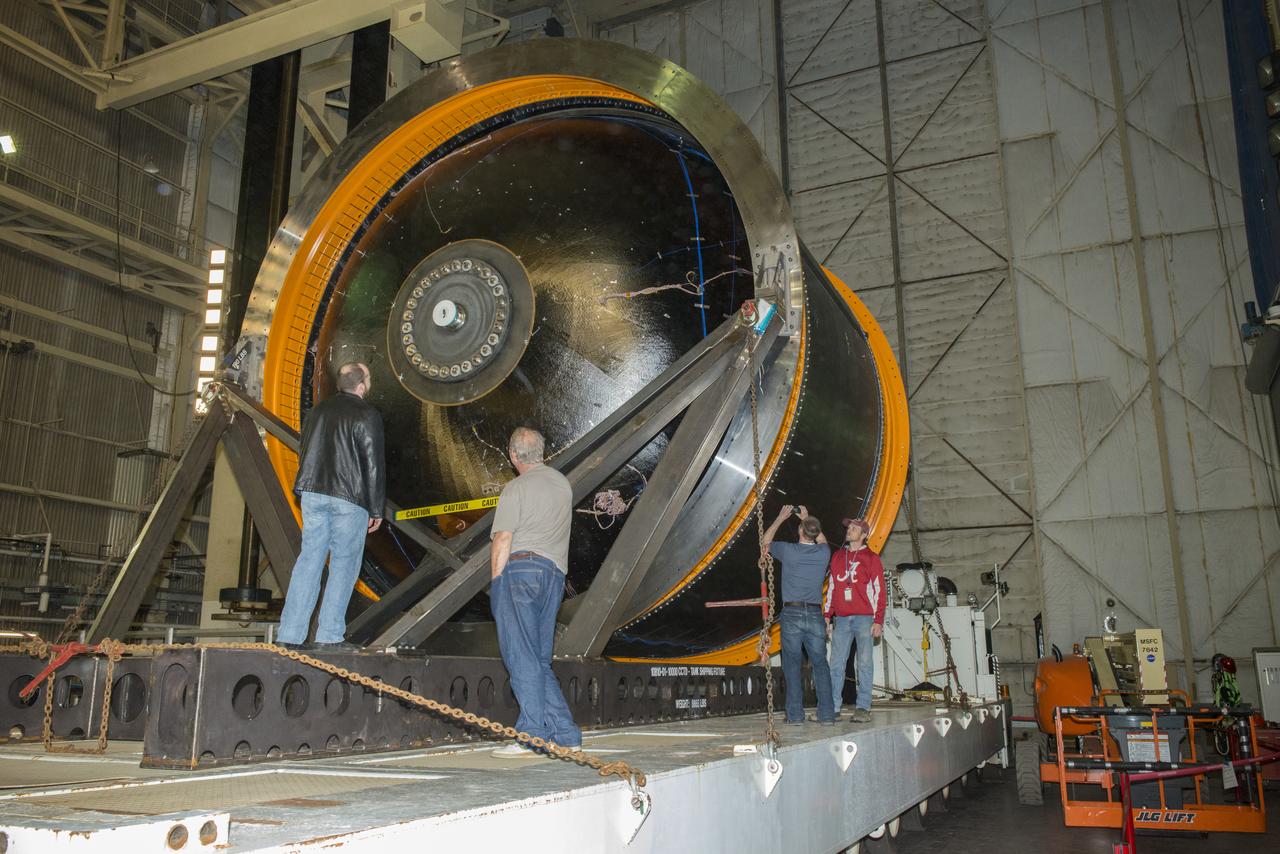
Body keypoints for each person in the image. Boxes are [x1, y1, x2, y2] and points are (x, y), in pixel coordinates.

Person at [276, 362, 385, 652]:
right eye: (370, 378)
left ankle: (290, 634)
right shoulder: (367, 413)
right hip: (349, 497)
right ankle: (329, 635)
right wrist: (376, 509)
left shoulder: (317, 412)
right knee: (344, 565)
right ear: (361, 385)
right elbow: (373, 464)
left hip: (313, 494)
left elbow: (304, 450)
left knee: (309, 561)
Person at [489, 426, 582, 757]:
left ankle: (531, 734)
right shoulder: (562, 485)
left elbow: (503, 538)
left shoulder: (516, 488)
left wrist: (498, 583)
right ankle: (566, 734)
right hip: (554, 576)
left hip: (521, 572)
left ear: (513, 455)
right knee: (539, 661)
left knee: (520, 655)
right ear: (543, 453)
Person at [763, 504, 835, 725]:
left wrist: (780, 517)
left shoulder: (788, 551)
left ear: (800, 532)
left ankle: (795, 716)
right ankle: (826, 715)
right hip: (814, 613)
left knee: (792, 665)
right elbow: (822, 539)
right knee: (820, 664)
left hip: (792, 614)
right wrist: (807, 517)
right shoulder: (824, 553)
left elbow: (764, 543)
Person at [825, 517, 885, 722]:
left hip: (864, 618)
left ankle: (863, 708)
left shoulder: (871, 558)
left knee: (865, 663)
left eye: (854, 528)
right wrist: (827, 615)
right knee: (836, 664)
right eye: (848, 528)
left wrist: (878, 620)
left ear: (864, 534)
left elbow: (879, 591)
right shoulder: (838, 557)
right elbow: (832, 588)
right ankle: (832, 707)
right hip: (841, 619)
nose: (849, 530)